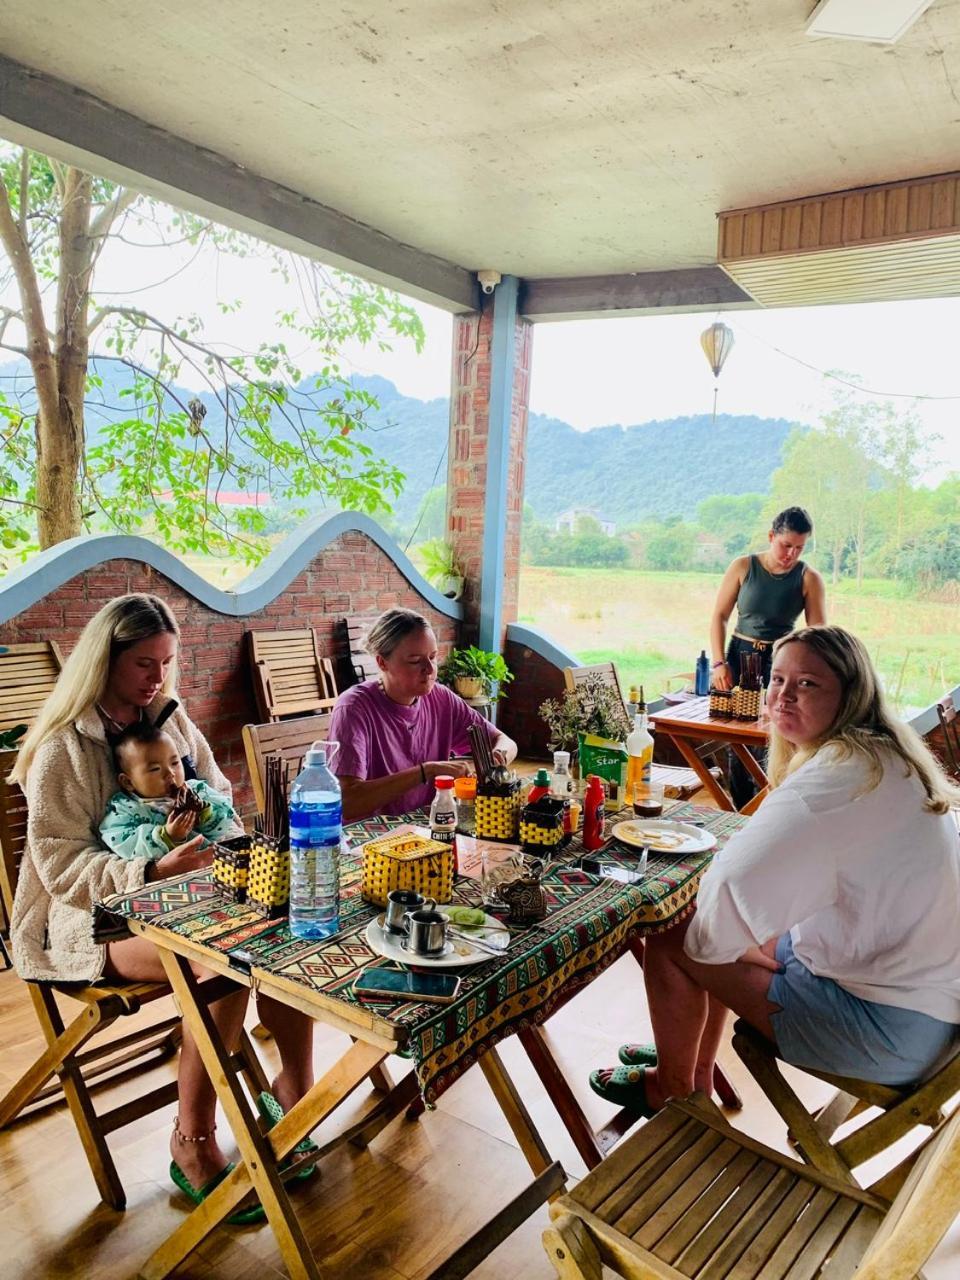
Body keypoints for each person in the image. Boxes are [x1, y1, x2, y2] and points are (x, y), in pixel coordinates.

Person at [10, 594, 316, 1222]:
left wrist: (222, 838)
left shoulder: (169, 718)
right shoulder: (64, 746)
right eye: (145, 664)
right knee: (224, 963)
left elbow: (221, 796)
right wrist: (148, 868)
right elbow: (60, 868)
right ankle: (194, 1140)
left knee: (287, 930)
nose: (158, 678)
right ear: (106, 660)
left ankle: (294, 1095)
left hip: (193, 894)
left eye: (167, 663)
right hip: (91, 918)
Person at [590, 624, 960, 1115]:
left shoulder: (836, 779)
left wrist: (741, 939)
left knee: (675, 931)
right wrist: (747, 938)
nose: (784, 696)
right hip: (930, 1012)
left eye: (807, 684)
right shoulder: (885, 756)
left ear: (851, 697)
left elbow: (729, 883)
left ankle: (672, 1088)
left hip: (885, 1033)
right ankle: (694, 1066)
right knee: (734, 929)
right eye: (778, 680)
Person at [329, 607, 517, 823]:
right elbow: (347, 803)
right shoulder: (354, 708)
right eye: (415, 660)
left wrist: (496, 757)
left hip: (424, 832)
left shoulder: (441, 698)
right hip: (368, 842)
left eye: (433, 657)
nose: (429, 669)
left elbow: (505, 741)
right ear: (382, 662)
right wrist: (425, 772)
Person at [709, 506, 827, 807]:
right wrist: (719, 662)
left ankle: (770, 806)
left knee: (777, 733)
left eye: (799, 548)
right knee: (737, 735)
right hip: (739, 655)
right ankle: (739, 809)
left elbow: (819, 635)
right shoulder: (742, 566)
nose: (791, 554)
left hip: (782, 662)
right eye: (786, 545)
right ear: (771, 536)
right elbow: (719, 616)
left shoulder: (809, 578)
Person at [100, 721, 238, 860]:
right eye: (155, 769)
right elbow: (123, 845)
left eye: (175, 763)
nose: (170, 773)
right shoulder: (125, 810)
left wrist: (206, 813)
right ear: (128, 782)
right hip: (170, 876)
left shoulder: (197, 790)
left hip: (211, 863)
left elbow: (227, 818)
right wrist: (166, 836)